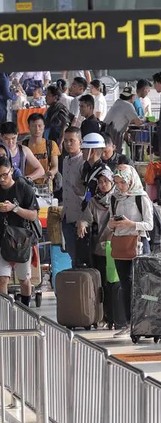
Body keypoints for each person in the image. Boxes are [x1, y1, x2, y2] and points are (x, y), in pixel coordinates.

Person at [108, 165, 154, 338]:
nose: (120, 186)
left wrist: (131, 224)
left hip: (138, 244)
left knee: (141, 285)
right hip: (121, 245)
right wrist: (112, 225)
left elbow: (149, 224)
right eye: (117, 182)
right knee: (125, 285)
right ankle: (129, 322)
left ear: (131, 181)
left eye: (123, 183)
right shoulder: (115, 199)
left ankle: (146, 322)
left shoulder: (141, 198)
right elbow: (110, 223)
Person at [0, 156, 39, 306]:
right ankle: (4, 311)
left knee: (24, 279)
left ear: (11, 171)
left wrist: (14, 208)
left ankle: (26, 307)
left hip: (21, 239)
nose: (2, 179)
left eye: (4, 174)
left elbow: (33, 215)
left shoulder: (23, 188)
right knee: (3, 278)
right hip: (2, 239)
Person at [77, 167, 115, 317]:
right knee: (102, 283)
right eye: (100, 182)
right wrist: (82, 223)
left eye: (106, 181)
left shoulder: (118, 199)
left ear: (113, 182)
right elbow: (86, 218)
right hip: (100, 248)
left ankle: (115, 314)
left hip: (116, 248)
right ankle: (103, 314)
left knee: (115, 284)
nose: (103, 184)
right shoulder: (93, 201)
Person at [61, 127, 86, 264]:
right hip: (67, 215)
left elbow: (89, 194)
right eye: (65, 141)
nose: (68, 144)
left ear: (80, 142)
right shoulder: (65, 161)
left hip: (80, 217)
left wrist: (84, 218)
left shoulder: (84, 163)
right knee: (72, 255)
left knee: (80, 257)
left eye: (72, 140)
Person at [24, 113, 61, 185]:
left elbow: (55, 166)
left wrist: (50, 173)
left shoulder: (51, 145)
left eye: (39, 126)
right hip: (27, 183)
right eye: (34, 126)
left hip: (45, 185)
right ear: (29, 127)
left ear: (44, 127)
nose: (37, 129)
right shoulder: (23, 145)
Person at [103, 86, 143, 152]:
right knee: (115, 153)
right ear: (133, 96)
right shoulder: (128, 105)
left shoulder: (118, 102)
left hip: (105, 129)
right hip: (114, 132)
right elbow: (138, 123)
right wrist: (144, 120)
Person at [80, 133, 110, 212]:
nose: (82, 151)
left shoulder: (104, 172)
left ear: (92, 151)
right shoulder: (88, 168)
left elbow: (107, 200)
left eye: (84, 149)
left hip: (98, 217)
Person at [44, 84, 72, 148]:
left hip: (56, 141)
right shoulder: (50, 109)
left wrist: (60, 143)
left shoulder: (61, 109)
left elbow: (65, 126)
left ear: (55, 97)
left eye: (48, 95)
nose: (46, 97)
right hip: (48, 140)